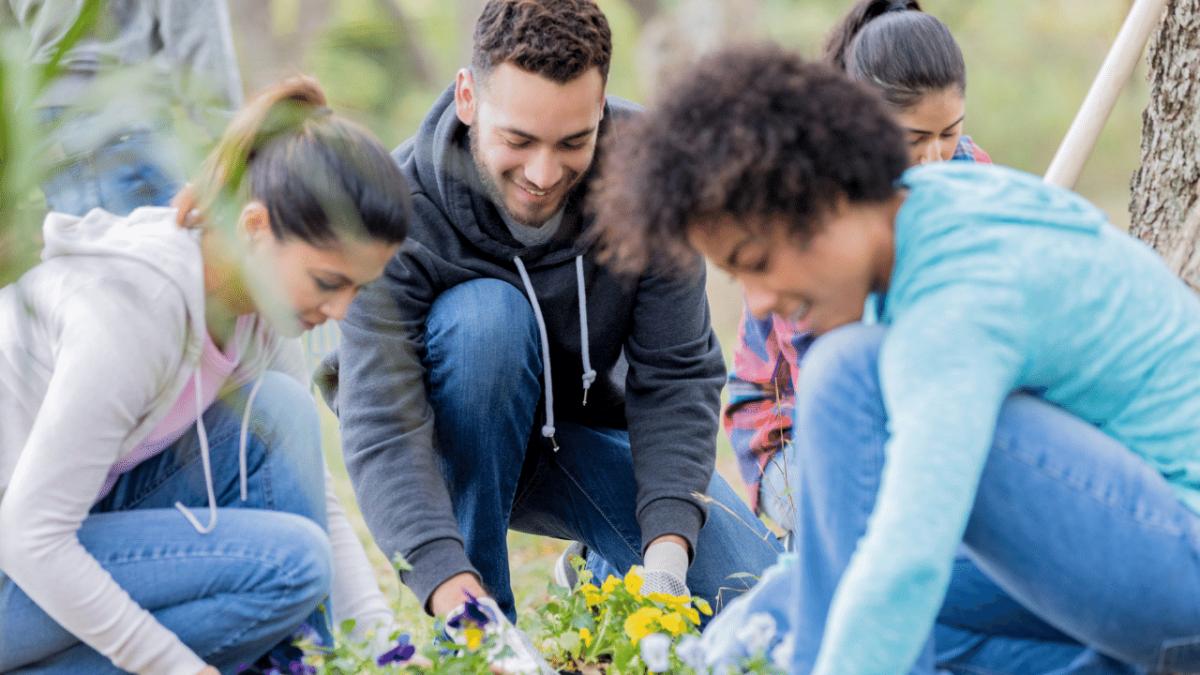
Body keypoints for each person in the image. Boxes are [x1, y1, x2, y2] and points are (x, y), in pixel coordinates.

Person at [592, 45, 1200, 673]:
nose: (763, 301)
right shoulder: (923, 217)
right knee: (855, 604)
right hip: (1136, 575)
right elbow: (847, 556)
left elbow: (907, 552)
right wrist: (760, 628)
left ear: (827, 198)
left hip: (1182, 571)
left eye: (759, 262)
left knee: (845, 382)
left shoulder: (955, 300)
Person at [321, 0, 780, 639]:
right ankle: (481, 637)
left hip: (591, 439)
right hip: (458, 442)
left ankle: (598, 578)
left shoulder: (647, 175)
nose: (543, 174)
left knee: (755, 599)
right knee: (487, 321)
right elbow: (382, 427)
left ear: (600, 110)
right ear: (467, 96)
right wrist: (450, 591)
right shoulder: (398, 213)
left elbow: (675, 375)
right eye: (519, 140)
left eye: (573, 142)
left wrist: (668, 558)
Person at [0, 76, 409, 674]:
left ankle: (311, 665)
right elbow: (31, 536)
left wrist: (385, 651)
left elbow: (309, 485)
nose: (340, 310)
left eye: (357, 288)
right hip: (19, 558)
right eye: (328, 282)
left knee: (281, 413)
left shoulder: (258, 305)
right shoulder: (136, 310)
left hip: (61, 535)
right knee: (289, 565)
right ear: (254, 228)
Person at [726, 0, 990, 535]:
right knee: (881, 511)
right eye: (914, 139)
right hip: (798, 433)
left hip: (921, 409)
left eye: (949, 132)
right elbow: (834, 392)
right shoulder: (812, 210)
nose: (936, 158)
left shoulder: (969, 173)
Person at [3, 0, 243, 216]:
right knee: (152, 257)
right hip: (120, 119)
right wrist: (233, 142)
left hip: (47, 132)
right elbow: (194, 31)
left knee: (88, 260)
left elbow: (8, 47)